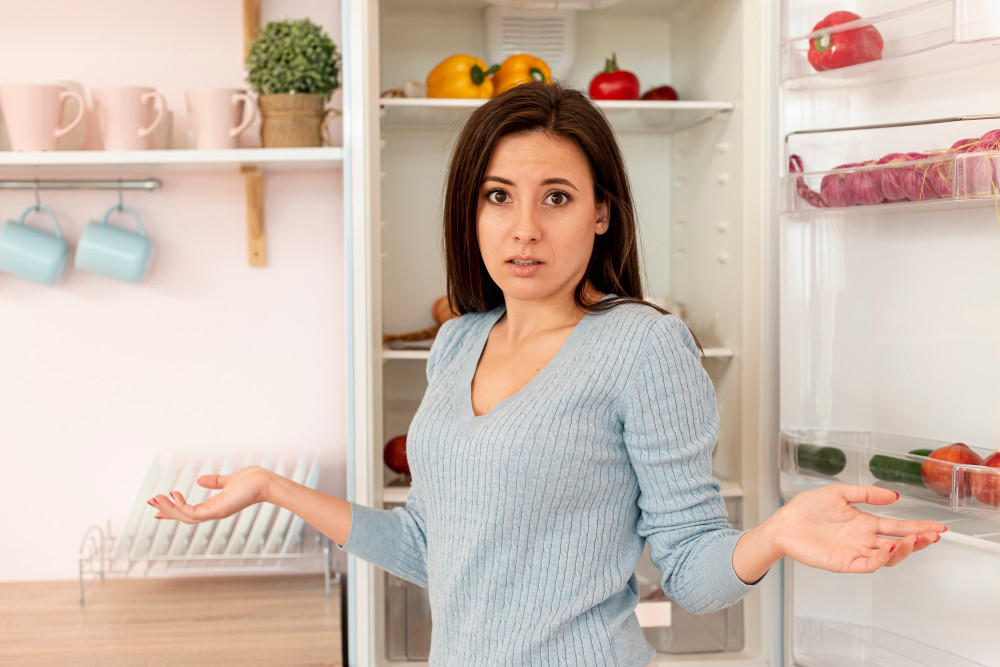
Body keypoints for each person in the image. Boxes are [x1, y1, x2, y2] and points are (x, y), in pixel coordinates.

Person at [149, 82, 947, 666]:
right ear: (472, 210)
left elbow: (691, 569)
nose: (524, 228)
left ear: (601, 212)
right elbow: (429, 547)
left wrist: (771, 535)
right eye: (499, 196)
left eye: (556, 198)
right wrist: (272, 487)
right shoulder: (457, 342)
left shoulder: (643, 345)